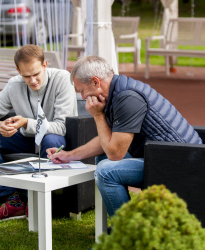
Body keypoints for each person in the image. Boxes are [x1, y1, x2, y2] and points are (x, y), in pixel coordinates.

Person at [47, 55, 202, 219]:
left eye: (82, 91)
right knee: (102, 158)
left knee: (106, 171)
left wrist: (98, 116)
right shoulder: (118, 91)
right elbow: (108, 143)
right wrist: (69, 156)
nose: (83, 97)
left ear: (95, 82)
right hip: (166, 157)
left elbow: (115, 154)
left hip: (181, 165)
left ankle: (126, 234)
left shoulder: (128, 98)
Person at [0, 44, 77, 222]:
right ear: (18, 71)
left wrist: (26, 123)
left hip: (52, 138)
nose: (33, 81)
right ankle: (12, 201)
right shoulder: (14, 84)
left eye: (36, 74)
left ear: (45, 64)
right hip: (24, 139)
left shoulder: (62, 79)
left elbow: (62, 126)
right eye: (26, 76)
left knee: (51, 139)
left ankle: (38, 201)